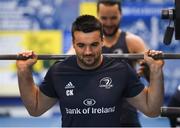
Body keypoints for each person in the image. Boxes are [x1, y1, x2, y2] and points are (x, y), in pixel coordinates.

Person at [16, 15, 164, 127]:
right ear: (73, 44)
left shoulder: (121, 70)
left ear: (102, 42)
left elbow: (152, 110)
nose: (88, 52)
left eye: (94, 45)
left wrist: (156, 72)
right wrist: (24, 72)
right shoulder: (58, 72)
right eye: (81, 45)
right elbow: (35, 109)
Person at [67, 0, 148, 126]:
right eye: (104, 18)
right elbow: (68, 60)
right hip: (95, 115)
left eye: (113, 18)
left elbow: (152, 72)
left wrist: (149, 69)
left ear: (120, 14)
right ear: (98, 16)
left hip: (126, 116)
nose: (109, 23)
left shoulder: (132, 41)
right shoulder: (86, 46)